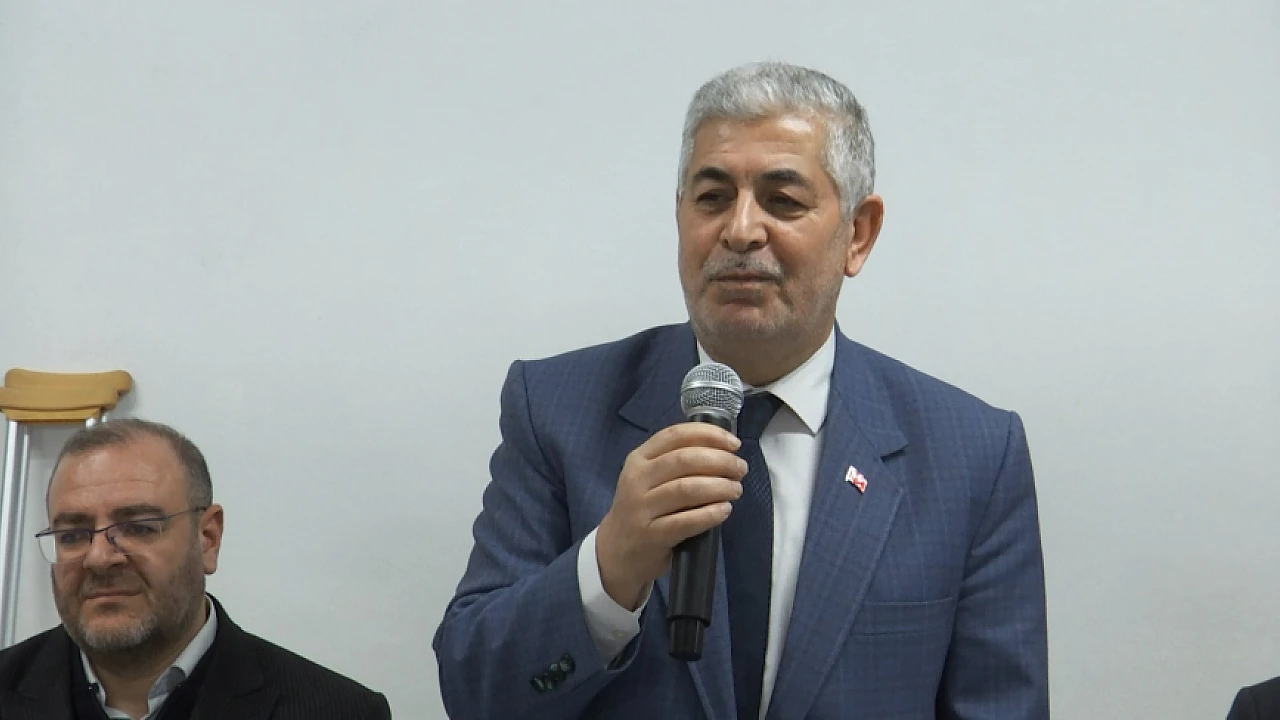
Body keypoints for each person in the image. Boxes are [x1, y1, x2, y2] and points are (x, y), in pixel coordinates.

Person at [433, 61, 1049, 719]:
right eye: (712, 197)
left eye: (783, 201)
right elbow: (476, 694)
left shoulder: (972, 455)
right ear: (680, 216)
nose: (741, 230)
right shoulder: (556, 408)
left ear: (858, 234)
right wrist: (609, 568)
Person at [0, 418, 392, 720]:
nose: (99, 558)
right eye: (72, 535)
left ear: (207, 538)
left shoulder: (339, 711)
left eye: (137, 528)